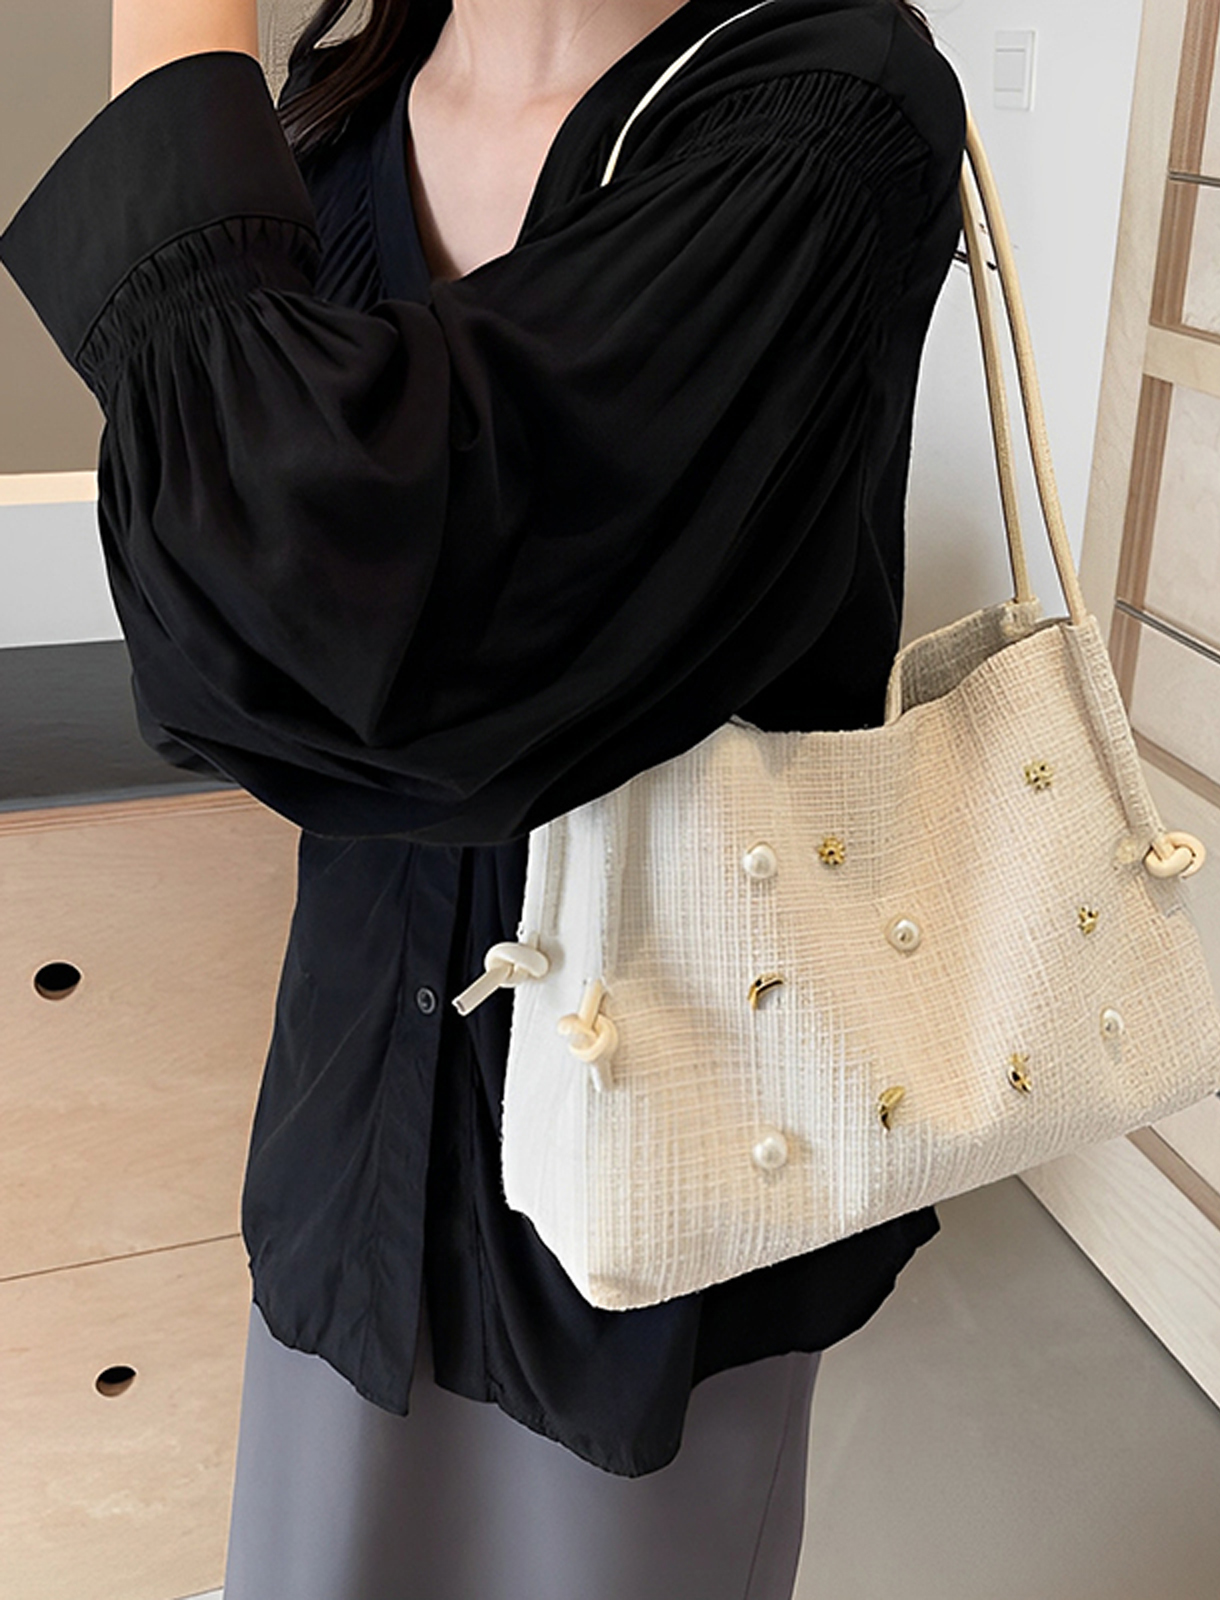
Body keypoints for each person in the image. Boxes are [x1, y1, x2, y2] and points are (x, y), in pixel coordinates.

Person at [0, 0, 965, 1593]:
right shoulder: (340, 118)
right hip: (354, 1131)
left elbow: (390, 635)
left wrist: (172, 36)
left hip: (670, 1188)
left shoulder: (821, 109)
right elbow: (231, 631)